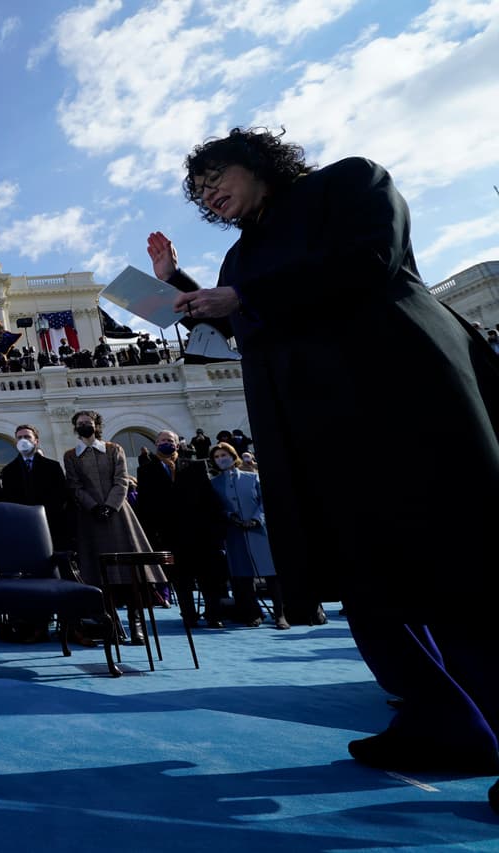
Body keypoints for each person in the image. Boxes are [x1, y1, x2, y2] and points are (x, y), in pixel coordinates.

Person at [149, 127, 499, 778]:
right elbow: (236, 324)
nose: (209, 194)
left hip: (399, 400)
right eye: (199, 192)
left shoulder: (349, 181)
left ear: (256, 161)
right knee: (365, 582)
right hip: (312, 427)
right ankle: (442, 722)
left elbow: (370, 259)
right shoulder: (238, 257)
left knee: (453, 569)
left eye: (215, 177)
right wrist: (180, 286)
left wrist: (245, 297)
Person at [63, 409, 160, 645]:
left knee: (130, 571)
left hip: (118, 515)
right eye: (80, 422)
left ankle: (136, 624)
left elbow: (121, 479)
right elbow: (74, 485)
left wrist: (110, 506)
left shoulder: (114, 449)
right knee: (98, 574)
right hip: (90, 518)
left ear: (96, 425)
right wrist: (93, 506)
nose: (84, 425)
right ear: (75, 427)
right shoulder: (71, 456)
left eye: (88, 422)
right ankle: (111, 625)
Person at [134, 429, 229, 629]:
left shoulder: (195, 466)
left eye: (170, 440)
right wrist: (151, 535)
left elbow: (208, 498)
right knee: (180, 578)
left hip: (200, 532)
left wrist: (215, 528)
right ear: (156, 444)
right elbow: (145, 505)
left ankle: (213, 615)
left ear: (177, 444)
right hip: (170, 534)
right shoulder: (146, 470)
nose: (166, 443)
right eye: (162, 440)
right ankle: (189, 616)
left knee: (208, 577)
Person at [209, 442, 287, 629]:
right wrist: (229, 516)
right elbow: (215, 507)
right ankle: (253, 613)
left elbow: (264, 501)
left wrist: (256, 519)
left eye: (224, 455)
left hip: (258, 531)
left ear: (232, 455)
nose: (221, 459)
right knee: (243, 576)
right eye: (217, 457)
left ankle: (280, 614)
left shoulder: (252, 477)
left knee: (271, 573)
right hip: (234, 532)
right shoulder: (214, 483)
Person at [0, 424, 72, 553]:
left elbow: (62, 496)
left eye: (27, 437)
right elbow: (9, 501)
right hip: (23, 526)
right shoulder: (8, 471)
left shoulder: (52, 466)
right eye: (19, 437)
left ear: (36, 441)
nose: (23, 440)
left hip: (51, 525)